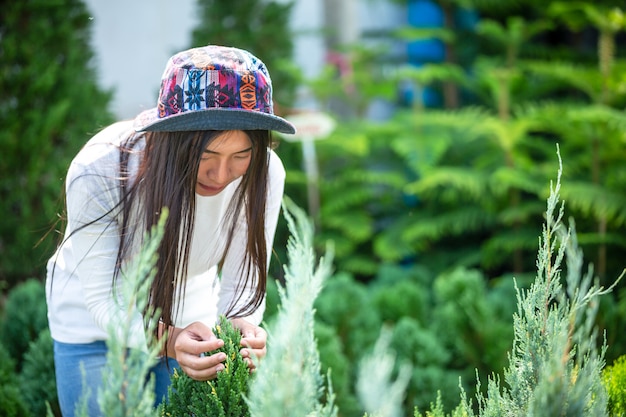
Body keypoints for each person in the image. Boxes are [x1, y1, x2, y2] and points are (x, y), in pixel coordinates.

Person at [45, 44, 296, 416]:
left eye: (240, 156)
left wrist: (241, 329)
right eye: (206, 156)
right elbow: (103, 300)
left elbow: (244, 280)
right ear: (169, 140)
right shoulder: (99, 169)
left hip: (191, 317)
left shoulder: (266, 173)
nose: (221, 174)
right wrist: (170, 339)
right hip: (93, 327)